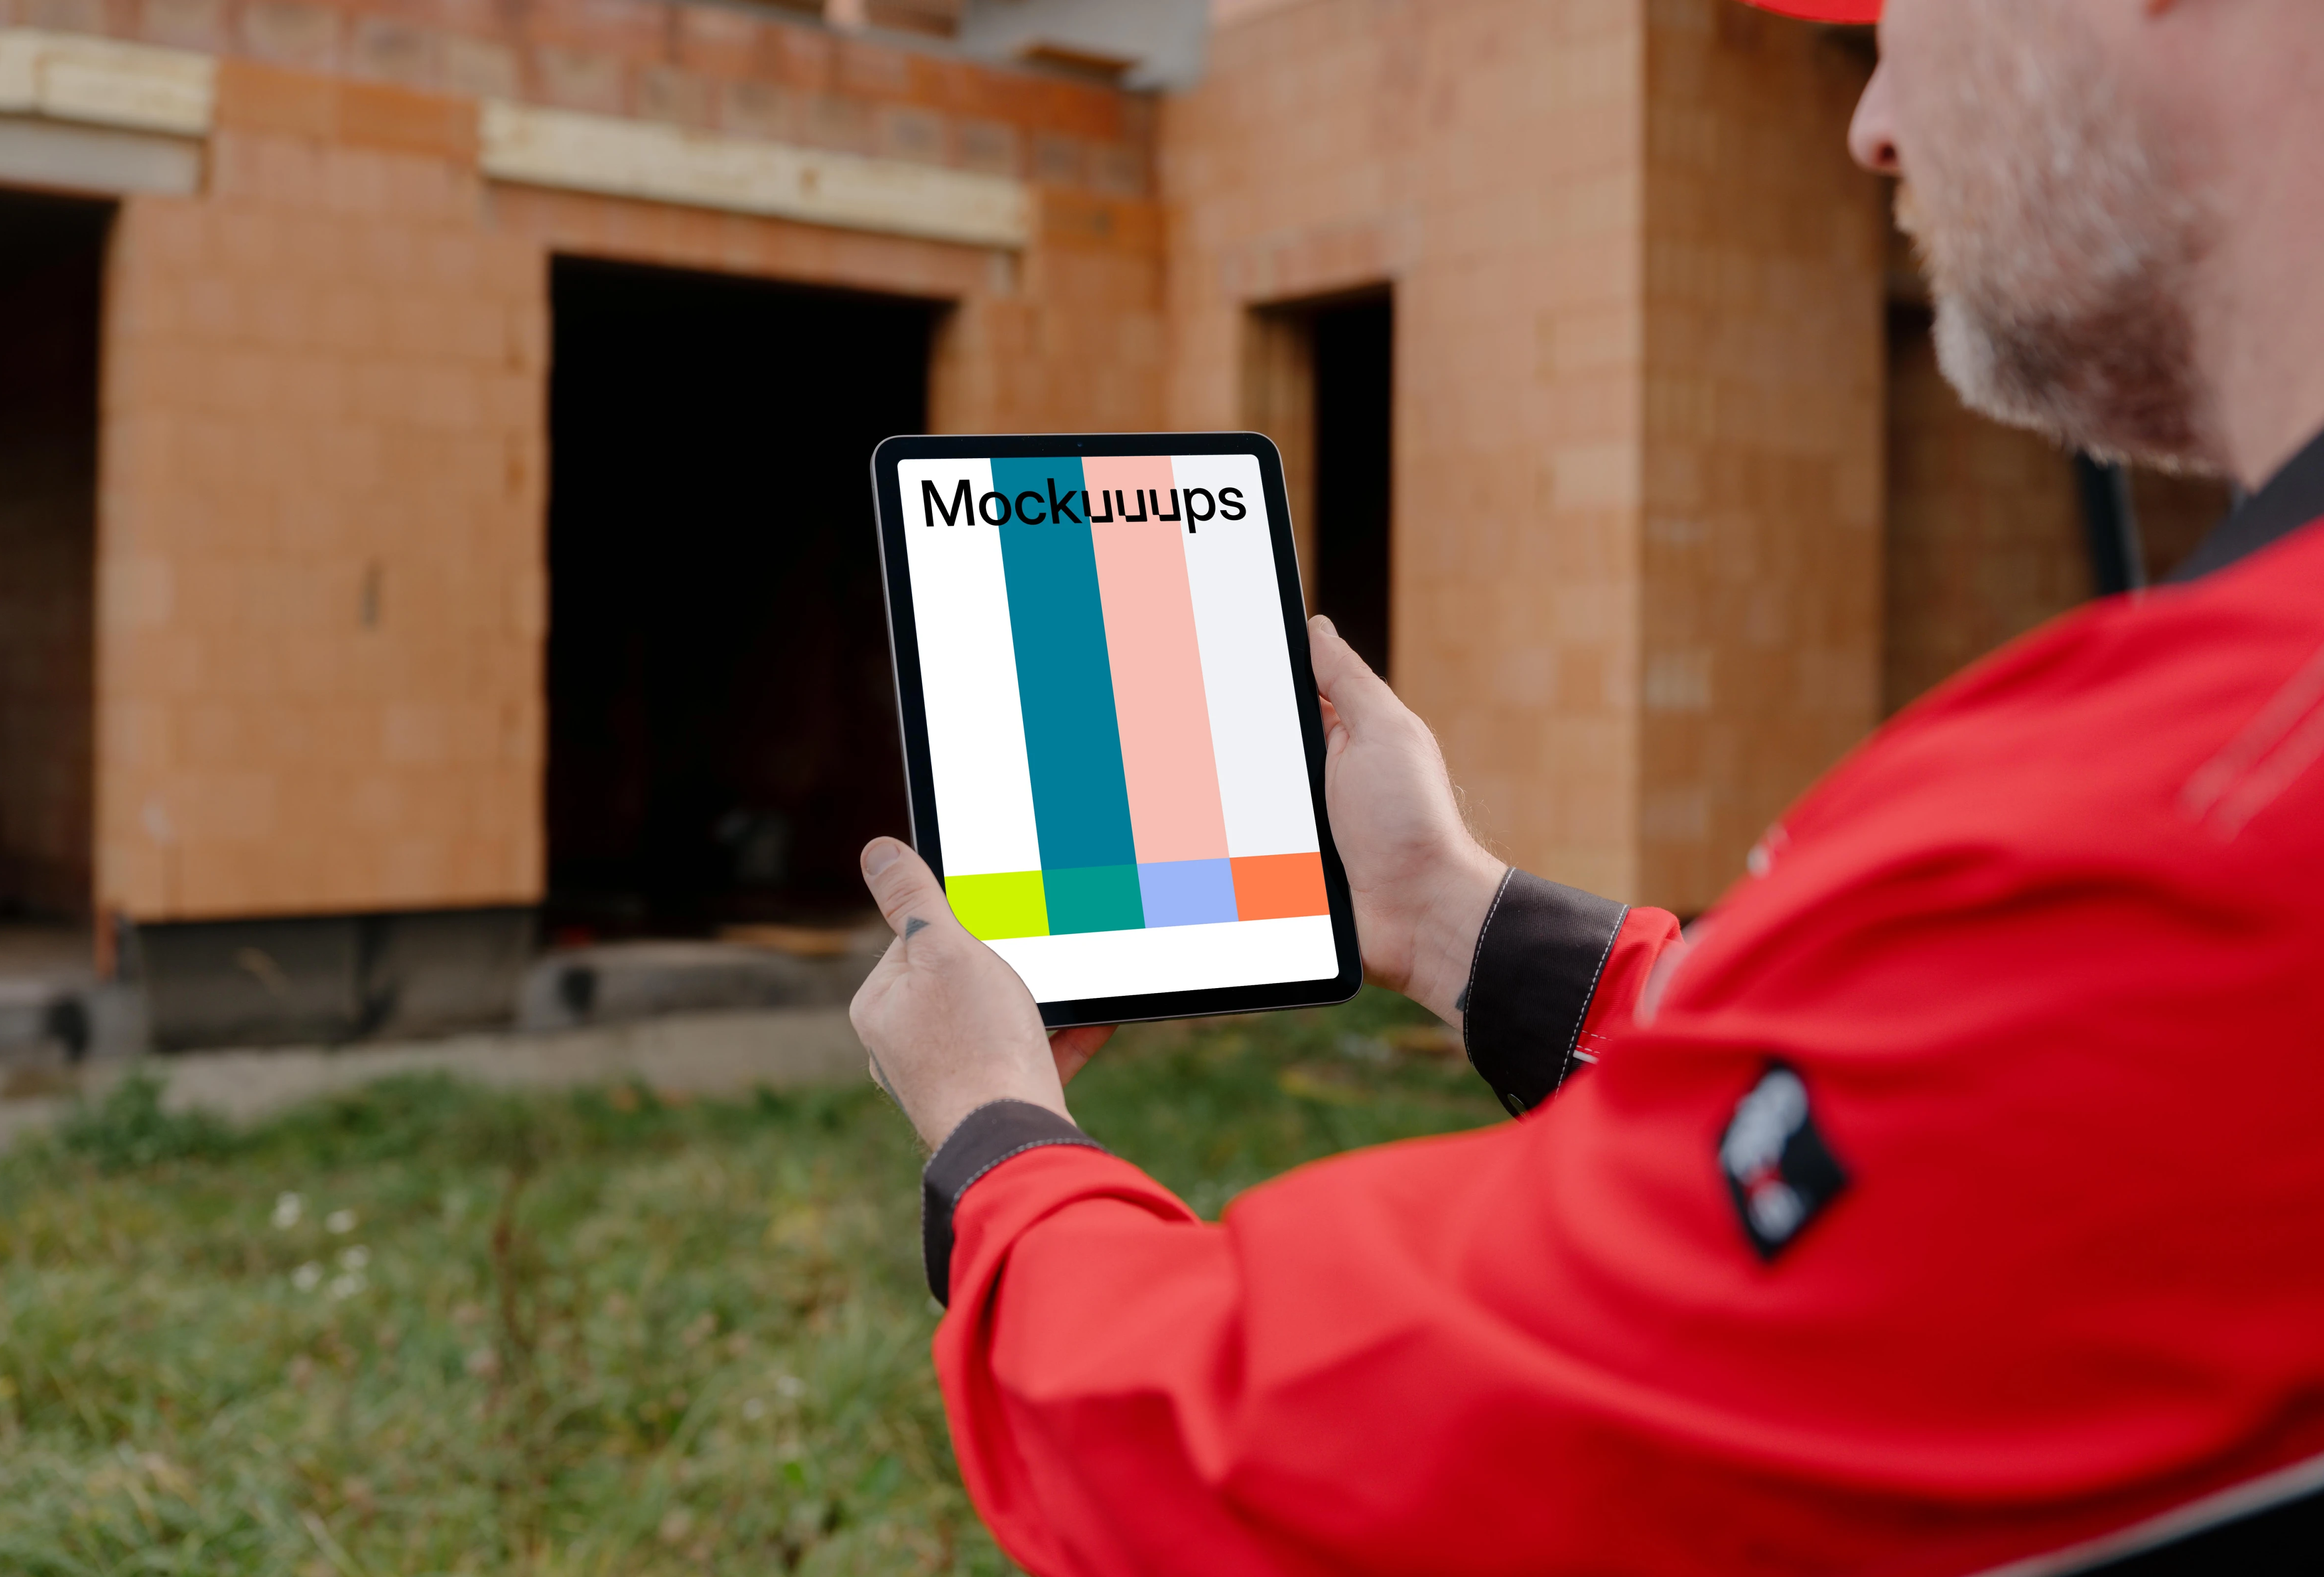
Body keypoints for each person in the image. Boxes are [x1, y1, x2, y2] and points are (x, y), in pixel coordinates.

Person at [848, 0, 2324, 1569]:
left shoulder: (2202, 823)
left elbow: (1281, 1461)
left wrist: (994, 1131)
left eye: (1905, 16)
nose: (1871, 120)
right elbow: (1956, 1140)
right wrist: (1465, 921)